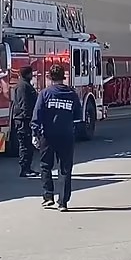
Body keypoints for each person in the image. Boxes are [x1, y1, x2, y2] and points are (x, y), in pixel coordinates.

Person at [31, 64, 82, 212]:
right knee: (65, 168)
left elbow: (37, 115)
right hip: (66, 136)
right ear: (63, 77)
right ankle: (63, 202)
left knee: (46, 166)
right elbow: (78, 116)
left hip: (47, 136)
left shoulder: (45, 94)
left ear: (49, 77)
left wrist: (35, 134)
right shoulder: (72, 94)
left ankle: (48, 197)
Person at [12, 66, 40, 177]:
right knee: (25, 146)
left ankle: (28, 168)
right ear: (27, 74)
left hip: (23, 119)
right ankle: (25, 169)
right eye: (31, 73)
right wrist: (29, 118)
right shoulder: (23, 87)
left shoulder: (24, 85)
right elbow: (24, 104)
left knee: (28, 146)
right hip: (23, 120)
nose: (32, 75)